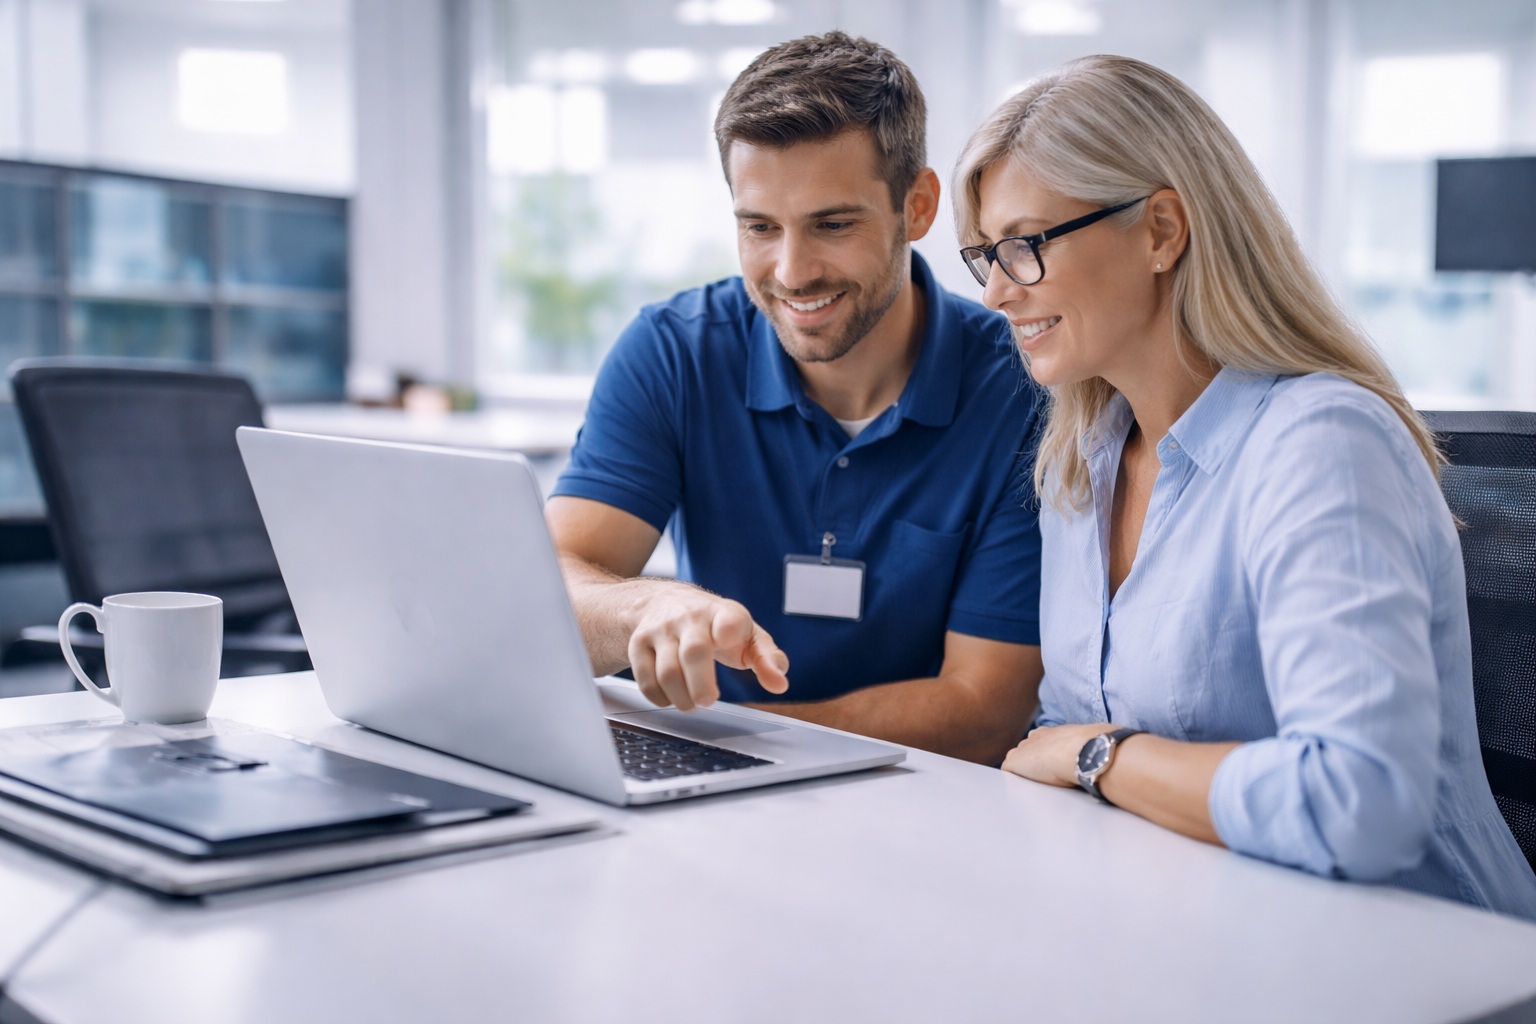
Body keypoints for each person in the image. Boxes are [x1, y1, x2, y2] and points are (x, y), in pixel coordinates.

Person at [953, 54, 1536, 918]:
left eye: (1026, 246)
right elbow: (1056, 731)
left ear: (1160, 230)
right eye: (984, 256)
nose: (998, 291)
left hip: (1419, 957)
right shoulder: (1084, 460)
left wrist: (1102, 758)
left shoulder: (1320, 443)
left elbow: (1360, 802)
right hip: (1200, 927)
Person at [546, 32, 1044, 765]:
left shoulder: (1022, 389)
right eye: (759, 228)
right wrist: (645, 604)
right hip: (709, 788)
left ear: (918, 206)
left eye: (832, 224)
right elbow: (552, 584)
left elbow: (983, 710)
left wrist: (742, 745)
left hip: (925, 807)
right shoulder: (675, 352)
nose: (792, 270)